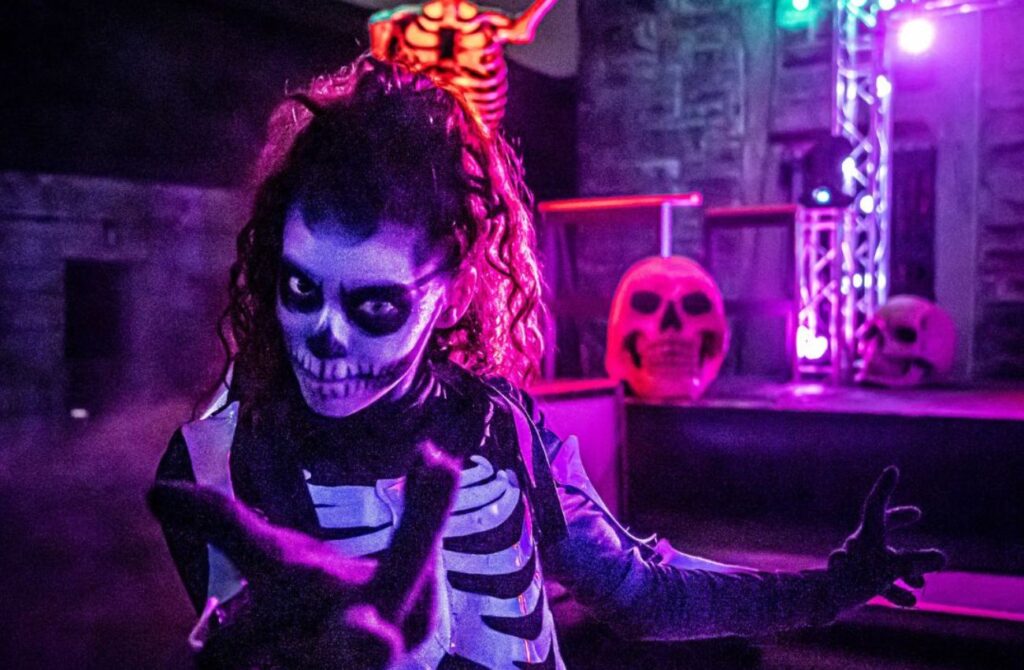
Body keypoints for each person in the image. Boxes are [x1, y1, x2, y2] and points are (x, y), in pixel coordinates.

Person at [153, 54, 945, 670]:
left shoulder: (497, 422)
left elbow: (642, 592)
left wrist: (824, 592)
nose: (324, 337)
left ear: (454, 287)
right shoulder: (221, 470)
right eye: (300, 289)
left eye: (375, 306)